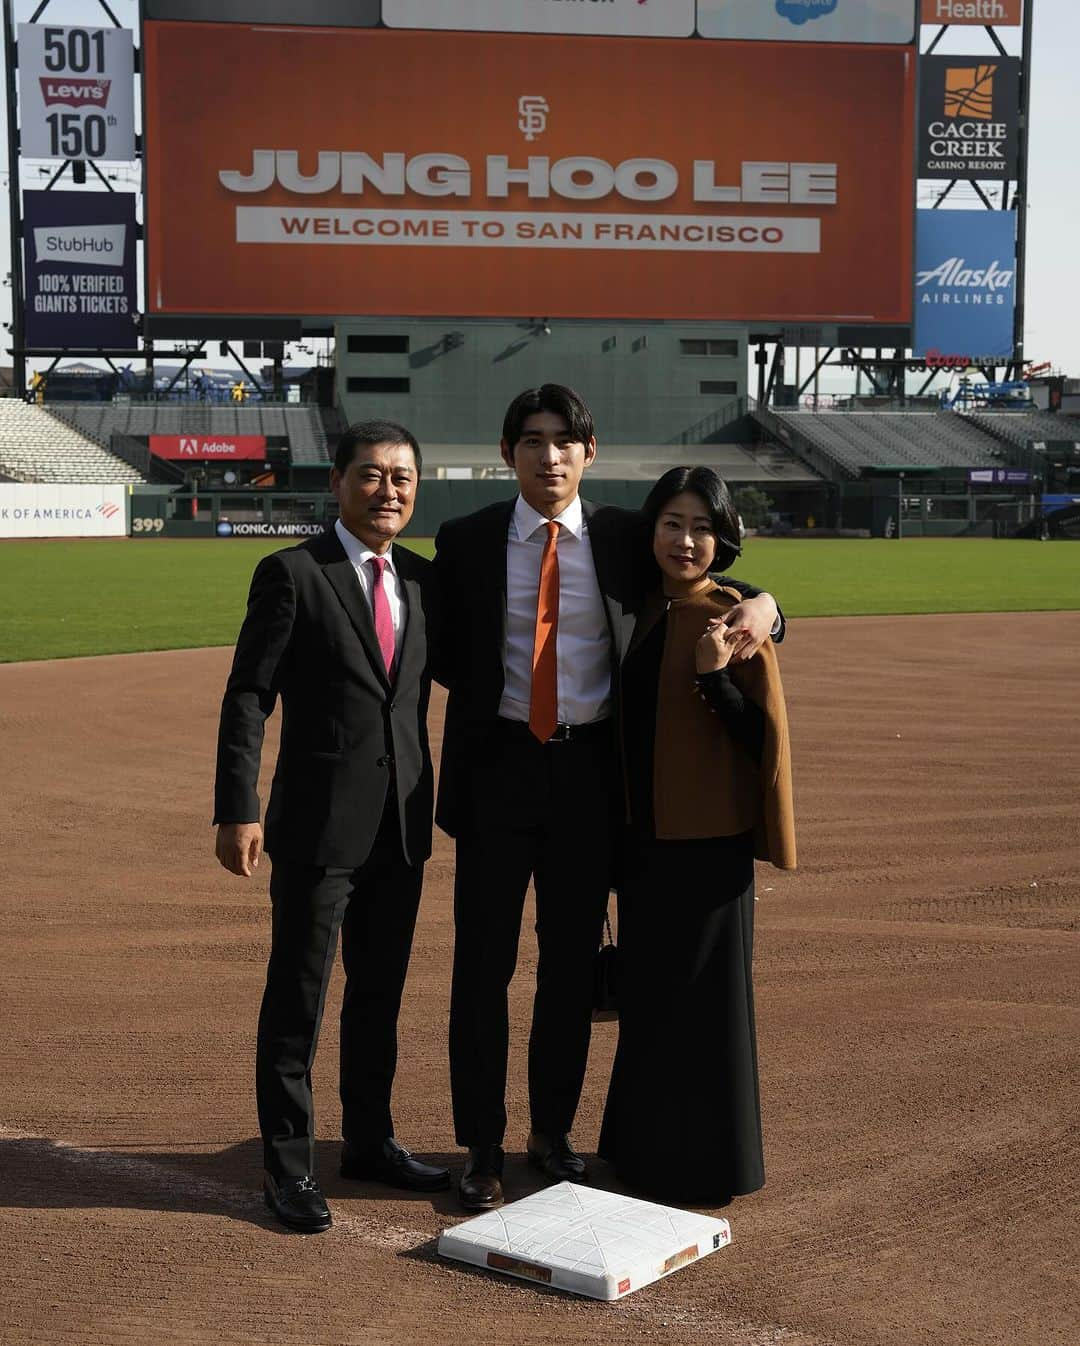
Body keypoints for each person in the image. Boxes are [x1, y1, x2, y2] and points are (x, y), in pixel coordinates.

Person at [431, 384, 785, 1211]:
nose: (548, 455)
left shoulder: (627, 537)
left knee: (567, 970)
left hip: (590, 781)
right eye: (532, 439)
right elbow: (444, 654)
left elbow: (715, 579)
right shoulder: (466, 541)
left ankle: (550, 1136)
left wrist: (773, 608)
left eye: (565, 440)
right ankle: (481, 1145)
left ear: (589, 453)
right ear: (507, 451)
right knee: (480, 969)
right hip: (496, 779)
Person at [213, 420, 449, 1235]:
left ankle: (370, 1140)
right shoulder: (291, 574)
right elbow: (249, 694)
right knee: (299, 999)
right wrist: (236, 805)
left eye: (404, 478)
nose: (390, 491)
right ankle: (286, 1167)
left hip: (402, 827)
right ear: (340, 483)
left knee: (378, 995)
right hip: (317, 827)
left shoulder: (422, 581)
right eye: (373, 475)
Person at [598, 465, 796, 1206]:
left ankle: (714, 1165)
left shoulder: (733, 616)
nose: (686, 540)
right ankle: (640, 1154)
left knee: (709, 1008)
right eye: (673, 523)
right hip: (641, 838)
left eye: (703, 527)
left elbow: (762, 743)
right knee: (648, 1003)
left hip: (710, 844)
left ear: (724, 538)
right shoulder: (637, 608)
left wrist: (717, 673)